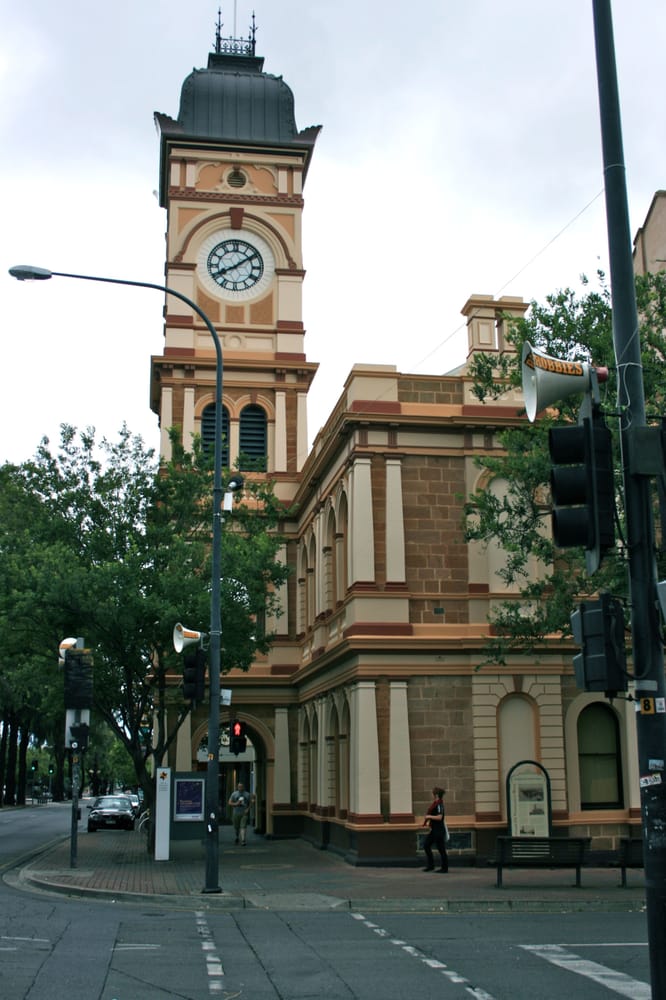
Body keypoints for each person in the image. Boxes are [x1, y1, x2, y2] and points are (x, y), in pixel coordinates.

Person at [422, 786, 448, 873]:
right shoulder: (435, 804)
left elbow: (440, 817)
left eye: (432, 793)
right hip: (434, 829)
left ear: (436, 795)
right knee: (426, 845)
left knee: (441, 849)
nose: (431, 795)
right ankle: (431, 865)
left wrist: (429, 816)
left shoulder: (439, 804)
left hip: (439, 830)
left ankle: (444, 868)